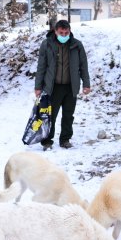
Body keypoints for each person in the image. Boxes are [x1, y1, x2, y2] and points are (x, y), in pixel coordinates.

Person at [34, 19, 91, 150]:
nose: (64, 35)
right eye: (61, 33)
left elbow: (83, 66)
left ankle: (65, 139)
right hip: (53, 87)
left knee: (68, 115)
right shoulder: (47, 44)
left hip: (71, 87)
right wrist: (38, 87)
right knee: (50, 116)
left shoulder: (77, 45)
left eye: (66, 32)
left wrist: (86, 84)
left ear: (70, 31)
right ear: (55, 31)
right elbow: (41, 67)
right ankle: (47, 141)